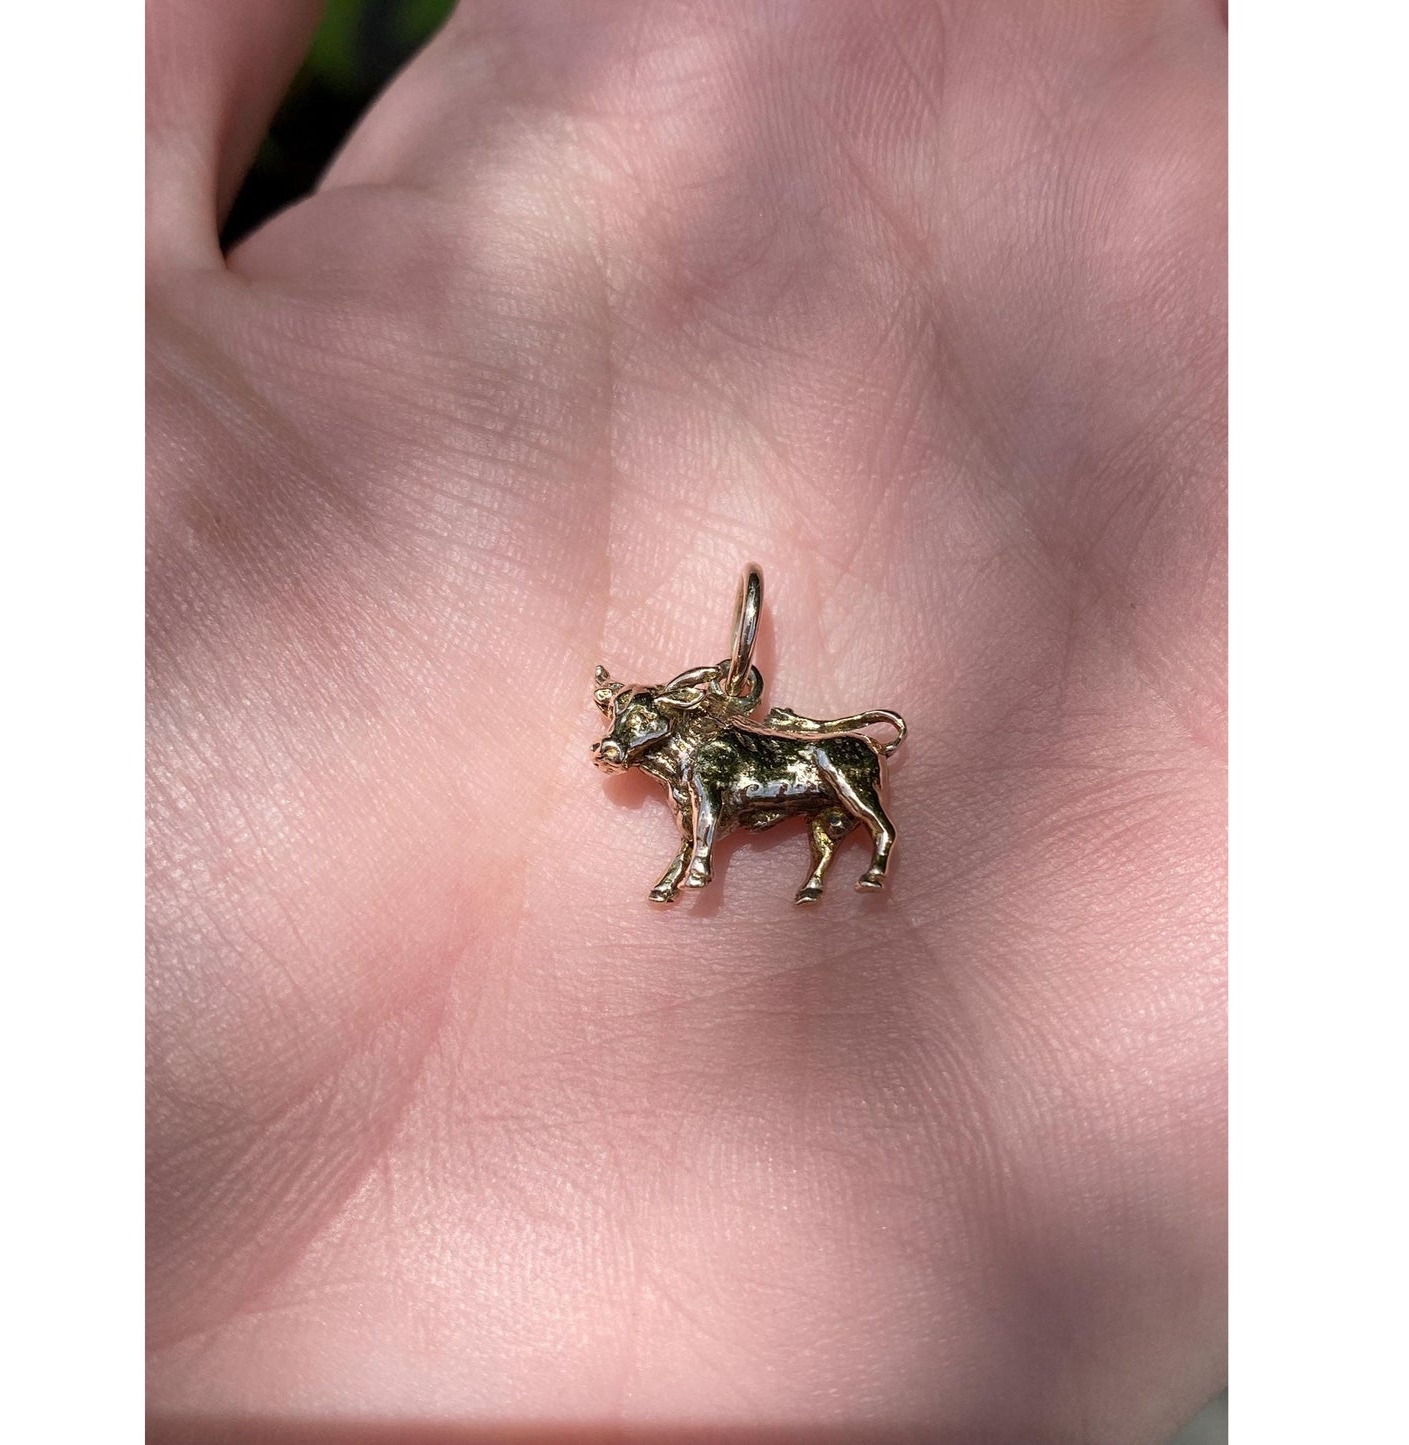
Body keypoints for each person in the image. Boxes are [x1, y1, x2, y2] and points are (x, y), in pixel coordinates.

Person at [146, 1, 1226, 1438]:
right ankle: (839, 850)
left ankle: (856, 843)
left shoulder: (712, 744)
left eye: (631, 741)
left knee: (834, 792)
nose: (623, 755)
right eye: (632, 743)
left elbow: (711, 774)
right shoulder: (687, 733)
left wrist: (694, 852)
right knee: (807, 793)